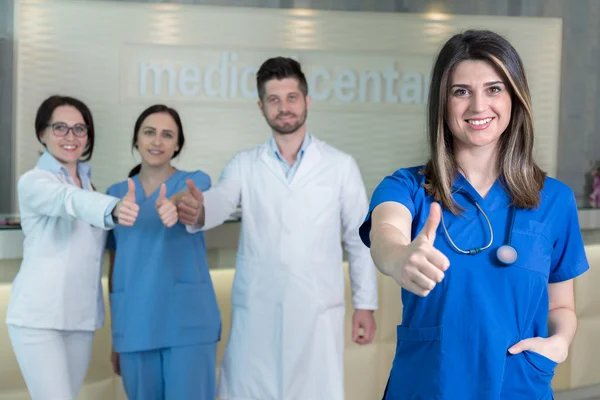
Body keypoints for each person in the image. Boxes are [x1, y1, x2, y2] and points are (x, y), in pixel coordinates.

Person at [359, 30, 590, 400]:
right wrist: (400, 256)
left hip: (516, 386)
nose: (478, 106)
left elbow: (562, 304)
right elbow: (386, 231)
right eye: (460, 91)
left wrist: (559, 342)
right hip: (430, 385)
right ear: (443, 102)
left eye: (494, 89)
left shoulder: (554, 200)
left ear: (515, 97)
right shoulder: (407, 187)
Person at [180, 56, 379, 400]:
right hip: (258, 309)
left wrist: (365, 304)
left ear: (306, 101)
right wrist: (199, 211)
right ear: (261, 107)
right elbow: (222, 200)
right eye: (274, 99)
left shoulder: (339, 166)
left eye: (291, 97)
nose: (283, 107)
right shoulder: (244, 164)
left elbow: (359, 240)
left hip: (316, 310)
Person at [5, 95, 139, 400]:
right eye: (60, 127)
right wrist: (114, 207)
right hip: (39, 319)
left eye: (80, 129)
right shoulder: (35, 181)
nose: (71, 136)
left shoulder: (88, 184)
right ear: (42, 133)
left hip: (79, 318)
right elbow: (67, 201)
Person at [105, 104, 221, 399]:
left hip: (188, 325)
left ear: (177, 144)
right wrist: (116, 336)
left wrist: (175, 204)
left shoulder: (194, 181)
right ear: (136, 139)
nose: (157, 142)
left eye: (167, 135)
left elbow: (191, 199)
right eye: (149, 133)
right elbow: (114, 268)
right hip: (134, 324)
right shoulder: (114, 196)